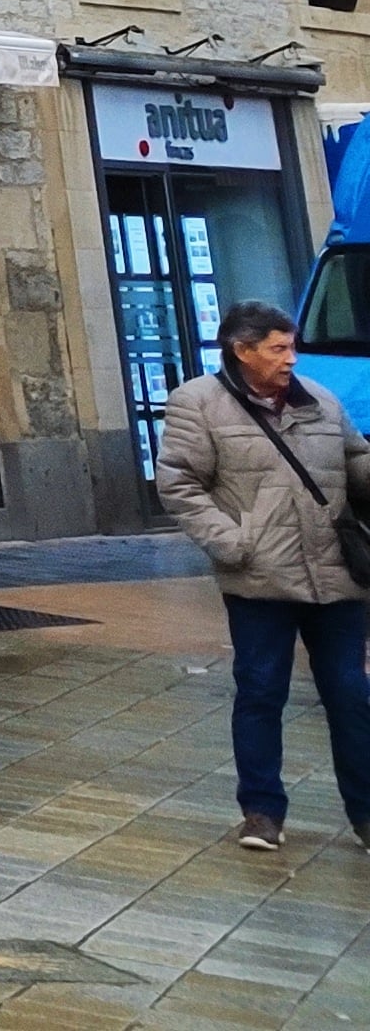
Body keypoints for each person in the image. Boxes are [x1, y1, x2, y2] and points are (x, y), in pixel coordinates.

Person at [155, 298, 370, 852]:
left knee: (350, 695)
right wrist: (232, 543)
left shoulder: (321, 401)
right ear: (242, 350)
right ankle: (261, 813)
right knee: (260, 692)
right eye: (279, 348)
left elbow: (357, 467)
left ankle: (367, 815)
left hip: (337, 576)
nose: (291, 357)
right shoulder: (197, 403)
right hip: (260, 579)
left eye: (292, 345)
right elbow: (179, 484)